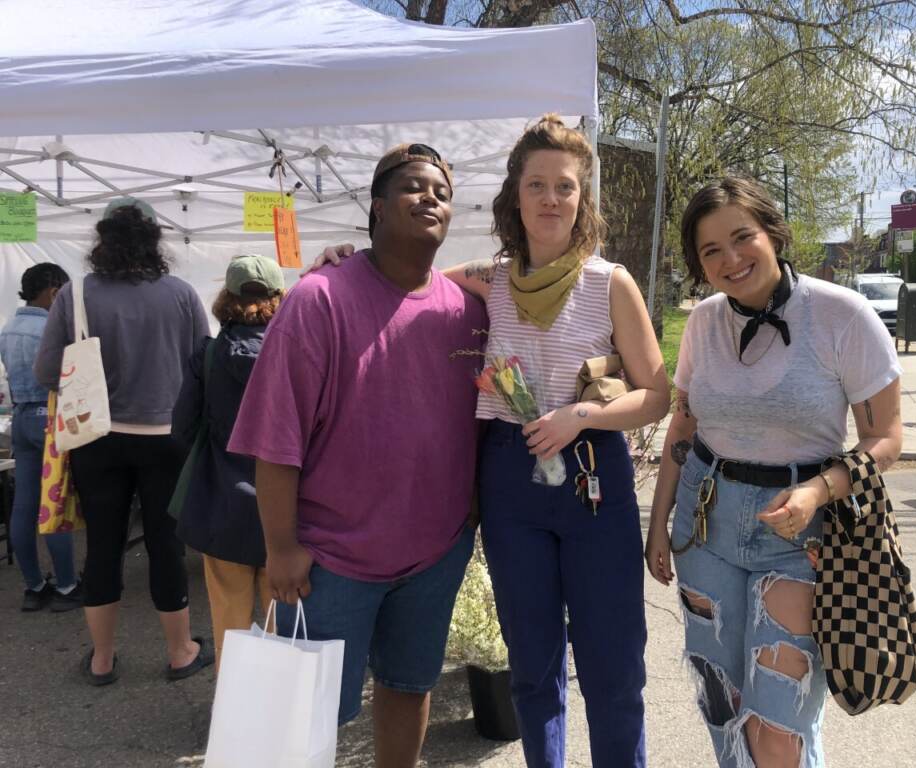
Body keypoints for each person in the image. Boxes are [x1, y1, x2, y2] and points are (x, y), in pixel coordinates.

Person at [312, 116, 669, 768]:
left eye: (565, 186)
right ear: (517, 194)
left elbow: (657, 394)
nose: (551, 199)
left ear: (581, 197)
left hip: (591, 475)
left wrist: (582, 416)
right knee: (531, 665)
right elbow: (407, 272)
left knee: (613, 663)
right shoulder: (491, 278)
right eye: (537, 184)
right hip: (509, 479)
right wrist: (345, 260)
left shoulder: (609, 282)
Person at [228, 144, 486, 767]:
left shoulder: (468, 312)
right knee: (306, 713)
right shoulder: (318, 299)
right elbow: (275, 438)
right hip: (332, 559)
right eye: (414, 188)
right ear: (375, 206)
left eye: (442, 193)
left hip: (433, 554)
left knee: (409, 685)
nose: (431, 199)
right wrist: (280, 547)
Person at [645, 176, 903, 767]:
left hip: (802, 539)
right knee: (724, 700)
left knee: (778, 724)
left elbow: (886, 438)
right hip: (704, 524)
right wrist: (658, 526)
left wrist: (817, 491)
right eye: (711, 250)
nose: (731, 259)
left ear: (773, 233)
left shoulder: (842, 316)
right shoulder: (706, 324)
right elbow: (682, 431)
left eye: (742, 238)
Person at [34, 197, 213, 686]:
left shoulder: (78, 294)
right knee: (164, 544)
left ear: (103, 240)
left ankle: (103, 659)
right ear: (155, 240)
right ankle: (180, 652)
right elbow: (202, 365)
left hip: (98, 438)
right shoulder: (180, 293)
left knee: (105, 545)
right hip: (166, 438)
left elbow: (47, 370)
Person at [172, 255, 285, 671]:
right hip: (286, 515)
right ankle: (281, 710)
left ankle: (235, 717)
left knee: (229, 625)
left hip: (221, 505)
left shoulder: (208, 355)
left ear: (227, 296)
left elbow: (181, 428)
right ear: (278, 297)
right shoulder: (293, 357)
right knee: (283, 622)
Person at [0, 263, 81, 612]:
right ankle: (66, 585)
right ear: (52, 291)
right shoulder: (49, 327)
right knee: (55, 503)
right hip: (48, 417)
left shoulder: (8, 329)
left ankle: (33, 586)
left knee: (24, 505)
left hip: (20, 417)